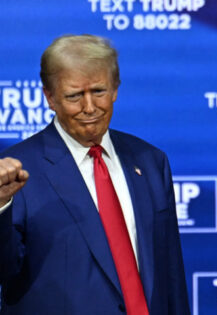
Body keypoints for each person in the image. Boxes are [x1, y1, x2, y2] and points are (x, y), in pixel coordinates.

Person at [0, 34, 190, 315]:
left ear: (115, 89)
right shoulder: (18, 171)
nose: (89, 107)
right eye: (75, 96)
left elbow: (171, 275)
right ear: (50, 97)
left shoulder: (150, 162)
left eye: (99, 91)